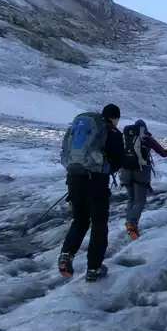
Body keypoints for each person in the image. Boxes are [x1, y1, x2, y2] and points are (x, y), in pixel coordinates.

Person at [57, 103, 124, 282]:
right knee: (99, 224)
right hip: (96, 182)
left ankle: (66, 254)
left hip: (74, 177)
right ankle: (94, 268)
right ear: (115, 118)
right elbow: (119, 161)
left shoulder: (82, 129)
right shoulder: (112, 132)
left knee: (80, 219)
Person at [120, 119, 167, 240]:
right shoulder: (147, 139)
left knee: (131, 199)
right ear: (144, 129)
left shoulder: (125, 138)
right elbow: (163, 153)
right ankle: (132, 223)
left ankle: (130, 224)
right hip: (141, 172)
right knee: (140, 200)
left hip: (125, 171)